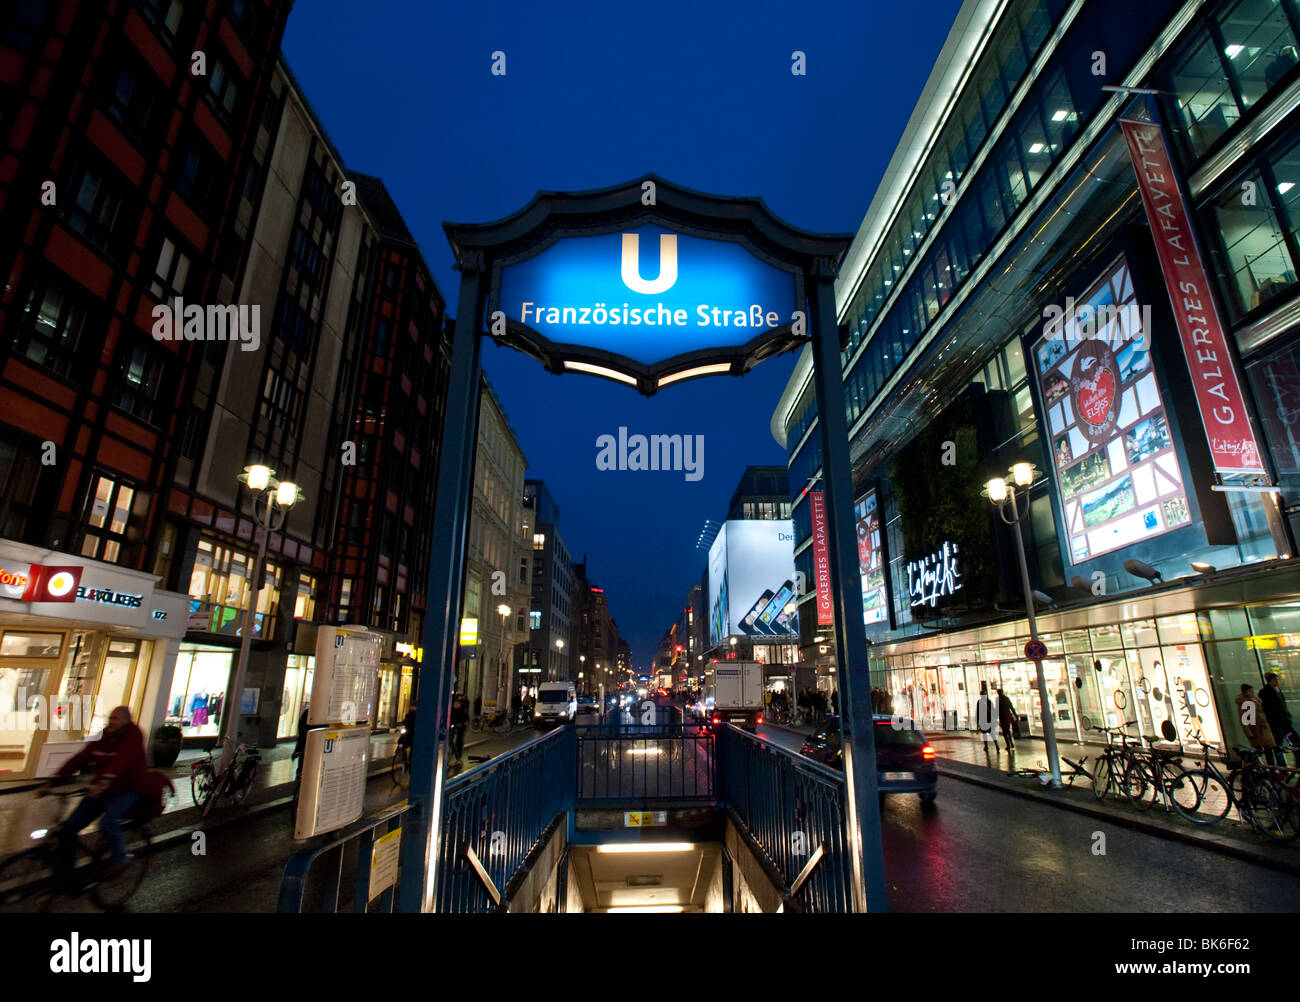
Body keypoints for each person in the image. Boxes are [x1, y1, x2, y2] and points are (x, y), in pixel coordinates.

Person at [38, 705, 147, 879]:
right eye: (110, 718)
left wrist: (104, 781)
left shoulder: (133, 735)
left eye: (116, 718)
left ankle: (121, 859)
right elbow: (80, 758)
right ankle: (68, 873)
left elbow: (123, 760)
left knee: (107, 823)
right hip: (103, 788)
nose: (111, 721)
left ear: (127, 720)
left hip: (128, 788)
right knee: (68, 828)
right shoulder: (103, 736)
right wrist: (53, 781)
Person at [1261, 673, 1297, 766]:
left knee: (1295, 742)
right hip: (1277, 724)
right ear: (1270, 681)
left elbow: (1282, 705)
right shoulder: (1265, 692)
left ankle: (1296, 762)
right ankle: (1282, 766)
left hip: (1285, 722)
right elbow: (1268, 709)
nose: (1277, 682)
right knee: (1278, 745)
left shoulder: (1278, 691)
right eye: (1275, 680)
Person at [1236, 683, 1277, 762]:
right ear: (1245, 692)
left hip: (1263, 729)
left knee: (1268, 750)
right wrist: (1249, 733)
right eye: (1250, 691)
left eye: (1252, 691)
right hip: (1256, 731)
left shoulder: (1256, 700)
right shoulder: (1245, 703)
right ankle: (1257, 767)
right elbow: (1244, 720)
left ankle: (1270, 768)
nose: (1252, 692)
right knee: (1259, 751)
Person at [975, 684, 998, 752]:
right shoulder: (989, 701)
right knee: (992, 733)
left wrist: (977, 721)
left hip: (983, 720)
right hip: (989, 720)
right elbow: (993, 711)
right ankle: (996, 745)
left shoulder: (980, 702)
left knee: (984, 734)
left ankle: (986, 746)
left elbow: (978, 711)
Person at [449, 693, 469, 759]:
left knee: (460, 737)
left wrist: (462, 724)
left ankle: (459, 751)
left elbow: (464, 718)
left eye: (457, 704)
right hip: (454, 724)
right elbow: (450, 717)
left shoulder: (462, 711)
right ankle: (452, 748)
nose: (456, 705)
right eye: (455, 704)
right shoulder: (452, 710)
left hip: (460, 725)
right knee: (449, 736)